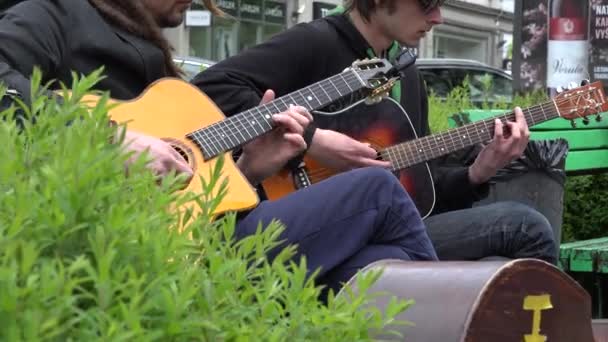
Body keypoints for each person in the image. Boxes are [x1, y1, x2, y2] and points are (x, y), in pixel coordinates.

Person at [0, 0, 438, 297]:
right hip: (131, 249)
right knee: (377, 190)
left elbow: (180, 185)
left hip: (196, 237)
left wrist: (250, 169)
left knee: (379, 260)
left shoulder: (147, 48)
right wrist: (106, 137)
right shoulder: (53, 14)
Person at [192, 0, 558, 264]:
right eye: (427, 3)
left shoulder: (409, 77)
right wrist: (313, 141)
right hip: (296, 222)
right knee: (525, 226)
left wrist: (479, 171)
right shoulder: (316, 42)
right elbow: (212, 88)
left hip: (384, 227)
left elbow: (421, 196)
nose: (438, 17)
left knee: (515, 227)